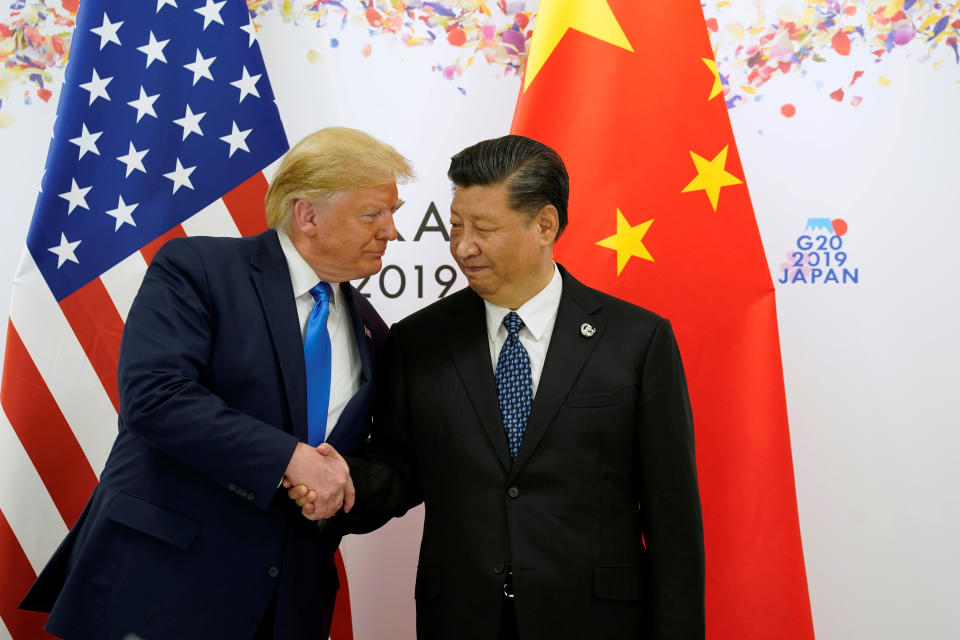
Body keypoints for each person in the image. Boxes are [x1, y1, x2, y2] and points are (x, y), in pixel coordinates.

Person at [292, 134, 705, 639]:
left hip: (598, 620)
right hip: (463, 619)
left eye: (483, 229)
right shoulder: (419, 340)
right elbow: (400, 470)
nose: (463, 247)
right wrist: (340, 483)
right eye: (457, 226)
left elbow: (672, 517)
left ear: (544, 225)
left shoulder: (637, 340)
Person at [19, 127, 414, 640]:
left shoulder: (369, 328)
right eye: (372, 215)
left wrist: (343, 483)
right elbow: (155, 397)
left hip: (286, 609)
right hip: (162, 589)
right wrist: (291, 461)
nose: (391, 232)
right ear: (308, 215)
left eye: (393, 214)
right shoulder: (199, 269)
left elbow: (378, 460)